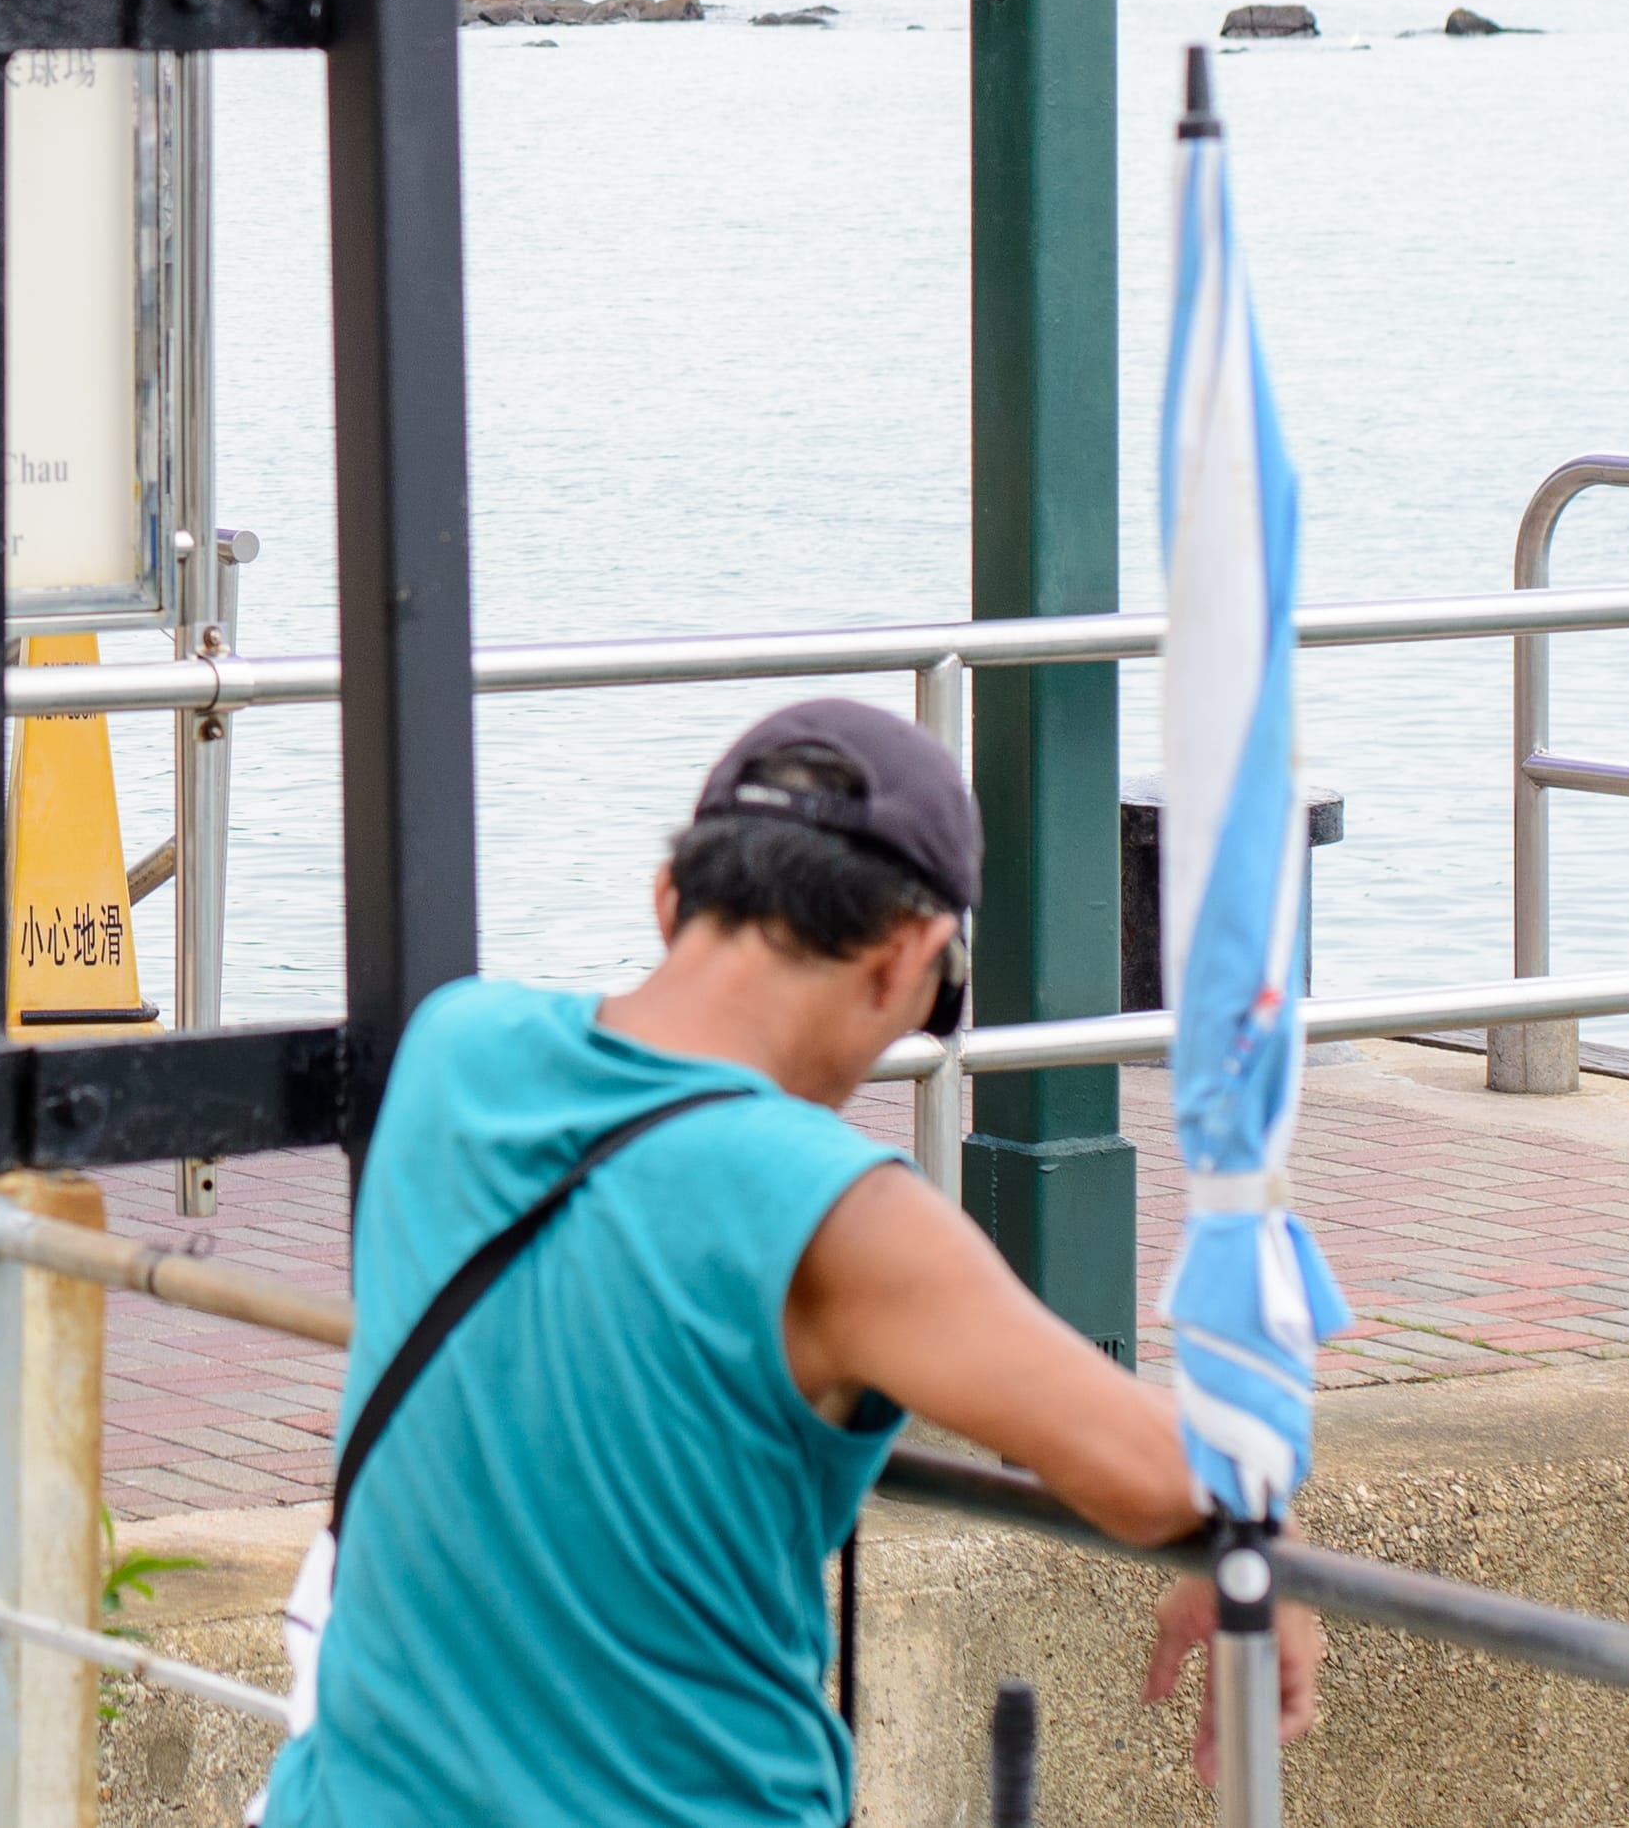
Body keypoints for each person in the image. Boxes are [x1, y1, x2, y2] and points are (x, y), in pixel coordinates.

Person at [257, 697, 1318, 1823]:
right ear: (905, 958)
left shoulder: (453, 1048)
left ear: (669, 898)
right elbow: (1169, 1469)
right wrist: (1271, 1550)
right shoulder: (839, 1211)